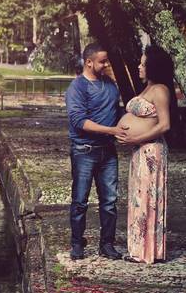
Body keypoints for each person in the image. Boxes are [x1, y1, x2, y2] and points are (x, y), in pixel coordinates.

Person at [65, 43, 126, 260]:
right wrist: (111, 130)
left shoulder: (110, 85)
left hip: (108, 152)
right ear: (88, 62)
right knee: (80, 200)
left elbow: (117, 112)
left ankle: (107, 244)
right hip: (84, 151)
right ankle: (77, 244)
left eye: (106, 60)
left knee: (109, 201)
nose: (106, 64)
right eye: (102, 61)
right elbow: (79, 121)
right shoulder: (77, 88)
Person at [117, 45, 176, 264]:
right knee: (138, 197)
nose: (139, 67)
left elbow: (165, 125)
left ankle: (147, 252)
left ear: (153, 67)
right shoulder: (147, 88)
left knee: (147, 198)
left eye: (143, 64)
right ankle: (138, 249)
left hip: (151, 151)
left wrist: (136, 138)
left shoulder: (160, 90)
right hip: (139, 151)